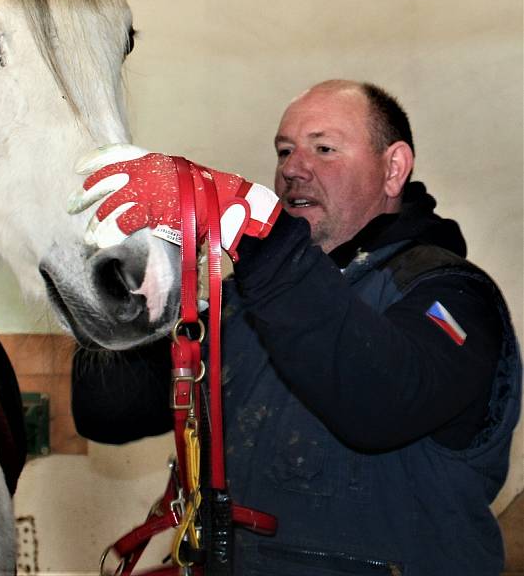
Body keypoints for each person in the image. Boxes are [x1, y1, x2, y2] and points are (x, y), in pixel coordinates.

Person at [71, 79, 521, 576]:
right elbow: (108, 411)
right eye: (284, 150)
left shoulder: (452, 295)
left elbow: (378, 405)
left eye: (323, 148)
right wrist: (134, 276)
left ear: (393, 169)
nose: (292, 169)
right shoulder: (247, 299)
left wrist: (260, 237)